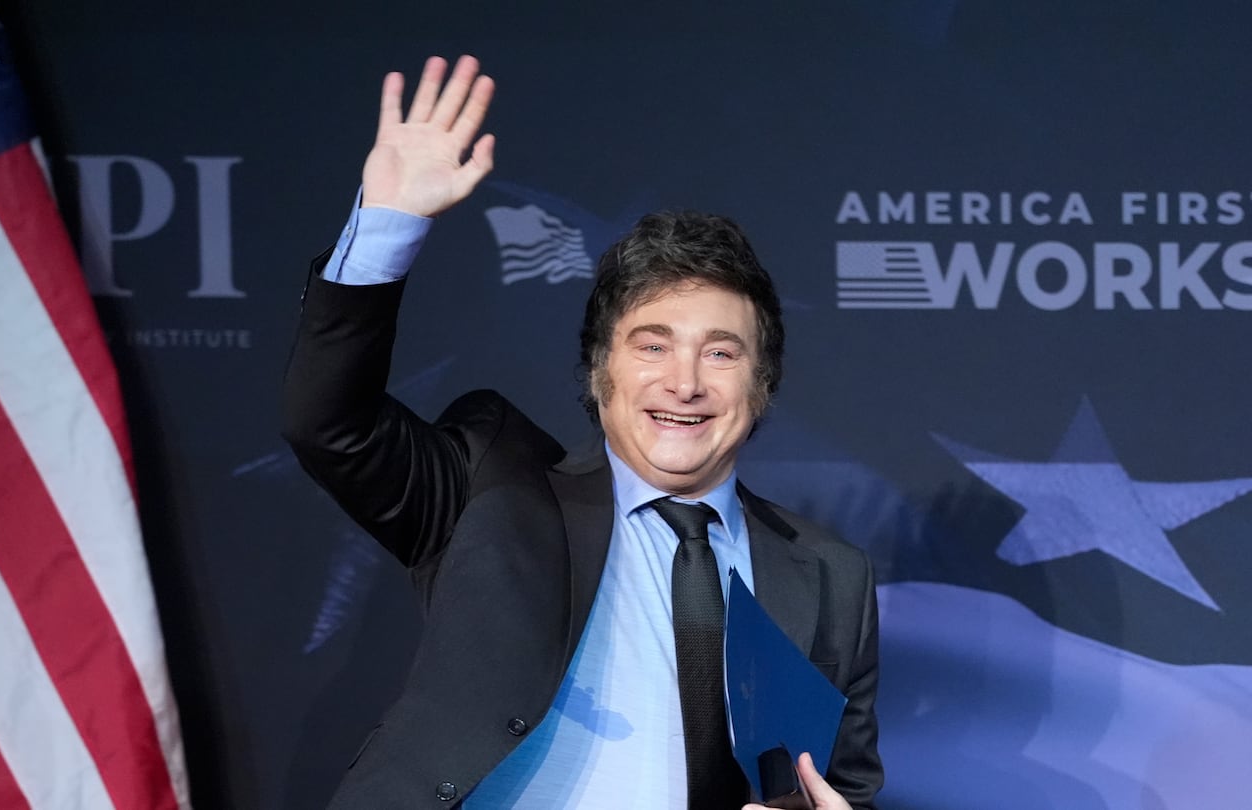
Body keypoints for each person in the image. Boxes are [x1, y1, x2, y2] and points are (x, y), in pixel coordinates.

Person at [283, 54, 882, 809]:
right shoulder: (491, 486)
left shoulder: (832, 576)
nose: (685, 381)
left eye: (721, 352)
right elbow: (328, 424)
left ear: (762, 384)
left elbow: (842, 787)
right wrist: (385, 229)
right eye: (653, 344)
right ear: (600, 369)